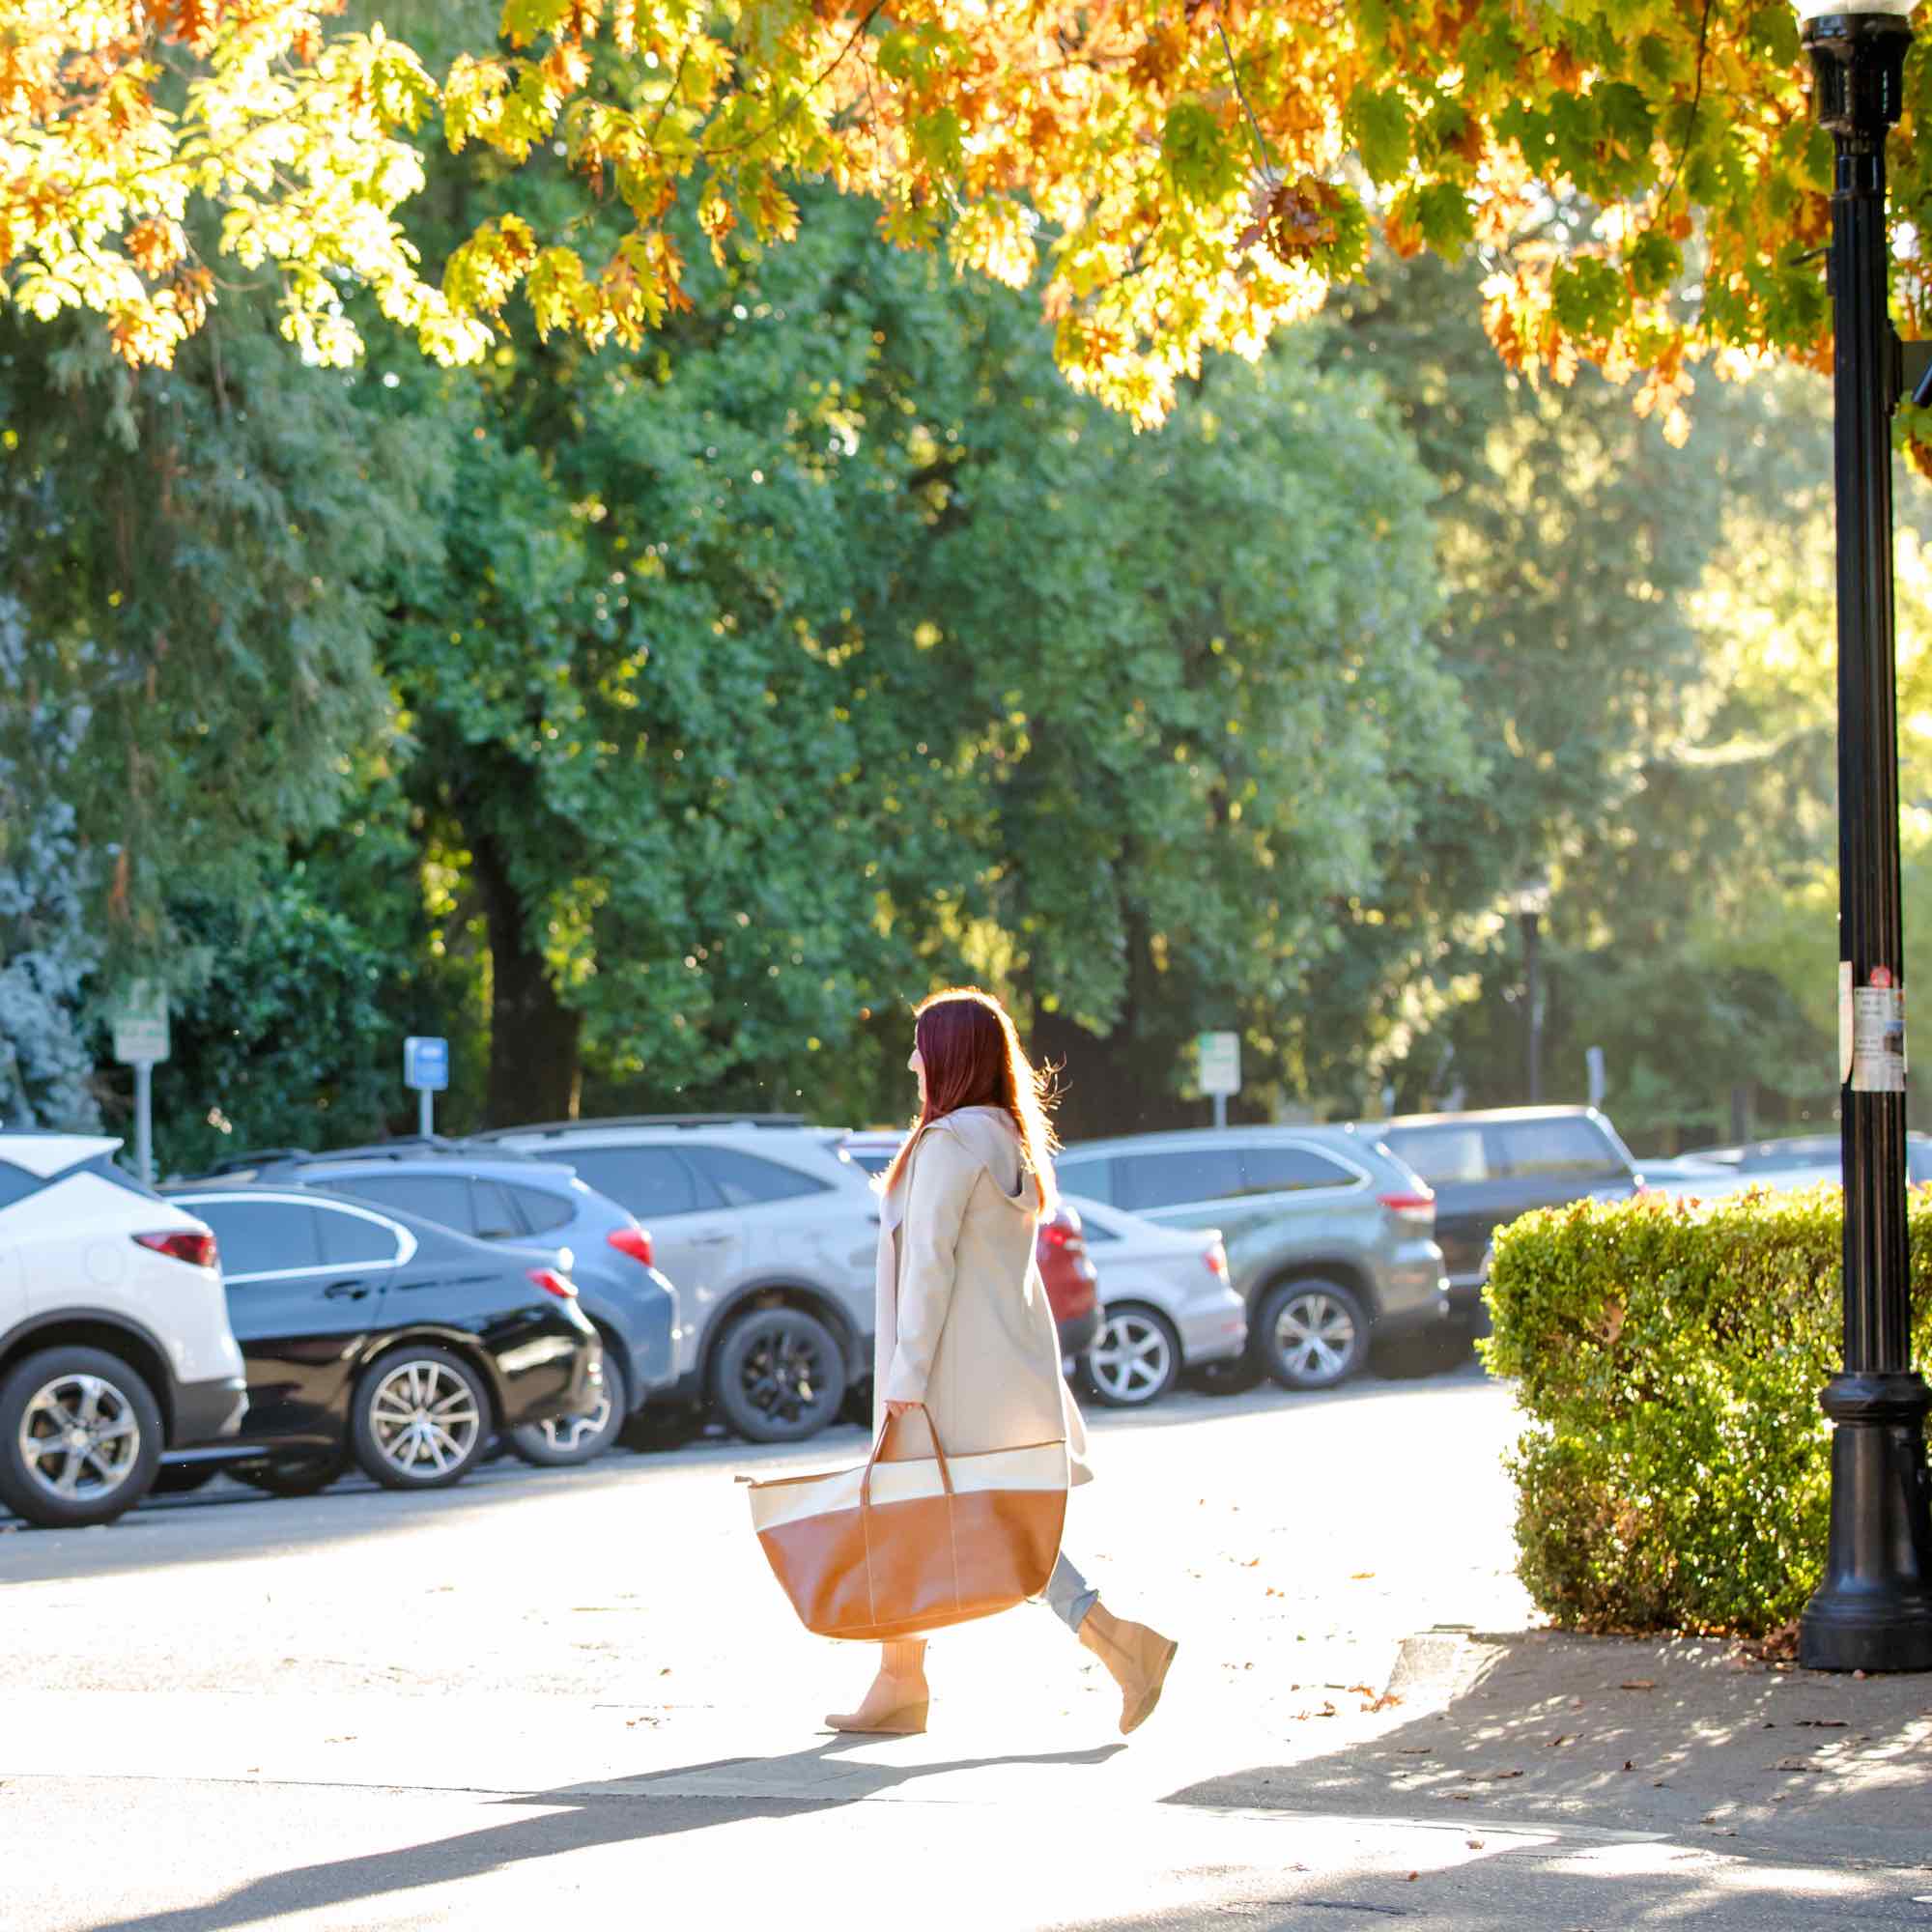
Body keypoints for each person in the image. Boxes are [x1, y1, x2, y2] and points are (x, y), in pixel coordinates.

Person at [826, 985, 1178, 1738]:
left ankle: (1121, 1650)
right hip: (1000, 1377)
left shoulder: (947, 1145)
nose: (913, 1058)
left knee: (972, 1527)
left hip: (945, 1381)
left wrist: (904, 1379)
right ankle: (901, 1680)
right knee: (963, 1523)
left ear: (951, 1056)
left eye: (923, 1043)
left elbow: (929, 1268)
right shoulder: (1006, 1139)